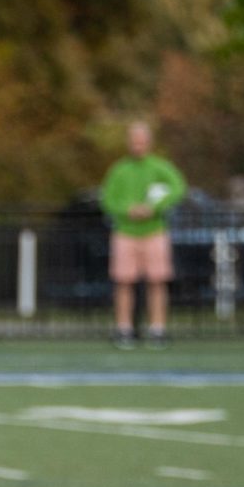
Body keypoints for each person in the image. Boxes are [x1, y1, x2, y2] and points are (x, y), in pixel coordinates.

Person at [100, 121, 186, 349]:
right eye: (134, 141)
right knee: (123, 282)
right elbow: (107, 199)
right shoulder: (119, 170)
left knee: (157, 281)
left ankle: (157, 329)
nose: (138, 145)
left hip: (154, 231)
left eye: (142, 141)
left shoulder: (160, 167)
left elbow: (178, 188)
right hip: (125, 232)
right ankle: (124, 329)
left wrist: (154, 208)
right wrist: (128, 210)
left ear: (149, 142)